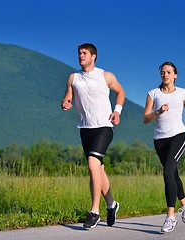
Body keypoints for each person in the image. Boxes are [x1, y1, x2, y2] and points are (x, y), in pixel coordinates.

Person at [61, 43, 125, 229]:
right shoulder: (73, 78)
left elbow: (120, 92)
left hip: (104, 127)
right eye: (79, 53)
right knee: (99, 170)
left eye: (84, 53)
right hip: (85, 129)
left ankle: (94, 211)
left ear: (93, 56)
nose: (81, 56)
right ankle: (112, 205)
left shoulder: (106, 76)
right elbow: (68, 97)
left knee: (92, 165)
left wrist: (117, 111)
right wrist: (65, 103)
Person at [143, 61, 185, 233]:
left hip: (178, 135)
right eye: (163, 72)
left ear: (175, 75)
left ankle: (170, 217)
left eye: (169, 72)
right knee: (172, 174)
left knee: (167, 172)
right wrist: (158, 112)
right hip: (160, 139)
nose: (165, 74)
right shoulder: (153, 94)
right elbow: (145, 119)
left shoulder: (183, 93)